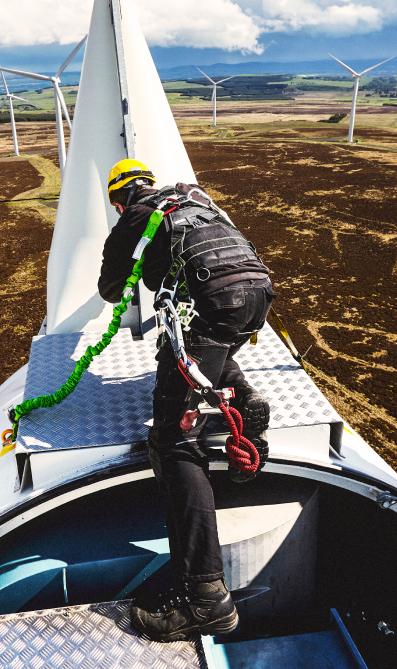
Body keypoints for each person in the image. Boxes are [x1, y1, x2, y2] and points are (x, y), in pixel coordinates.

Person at [98, 158, 273, 642]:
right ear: (149, 183)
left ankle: (206, 599)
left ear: (119, 200)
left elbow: (110, 289)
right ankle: (242, 393)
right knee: (198, 347)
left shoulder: (135, 217)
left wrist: (132, 262)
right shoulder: (193, 196)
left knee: (173, 443)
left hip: (217, 301)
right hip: (257, 293)